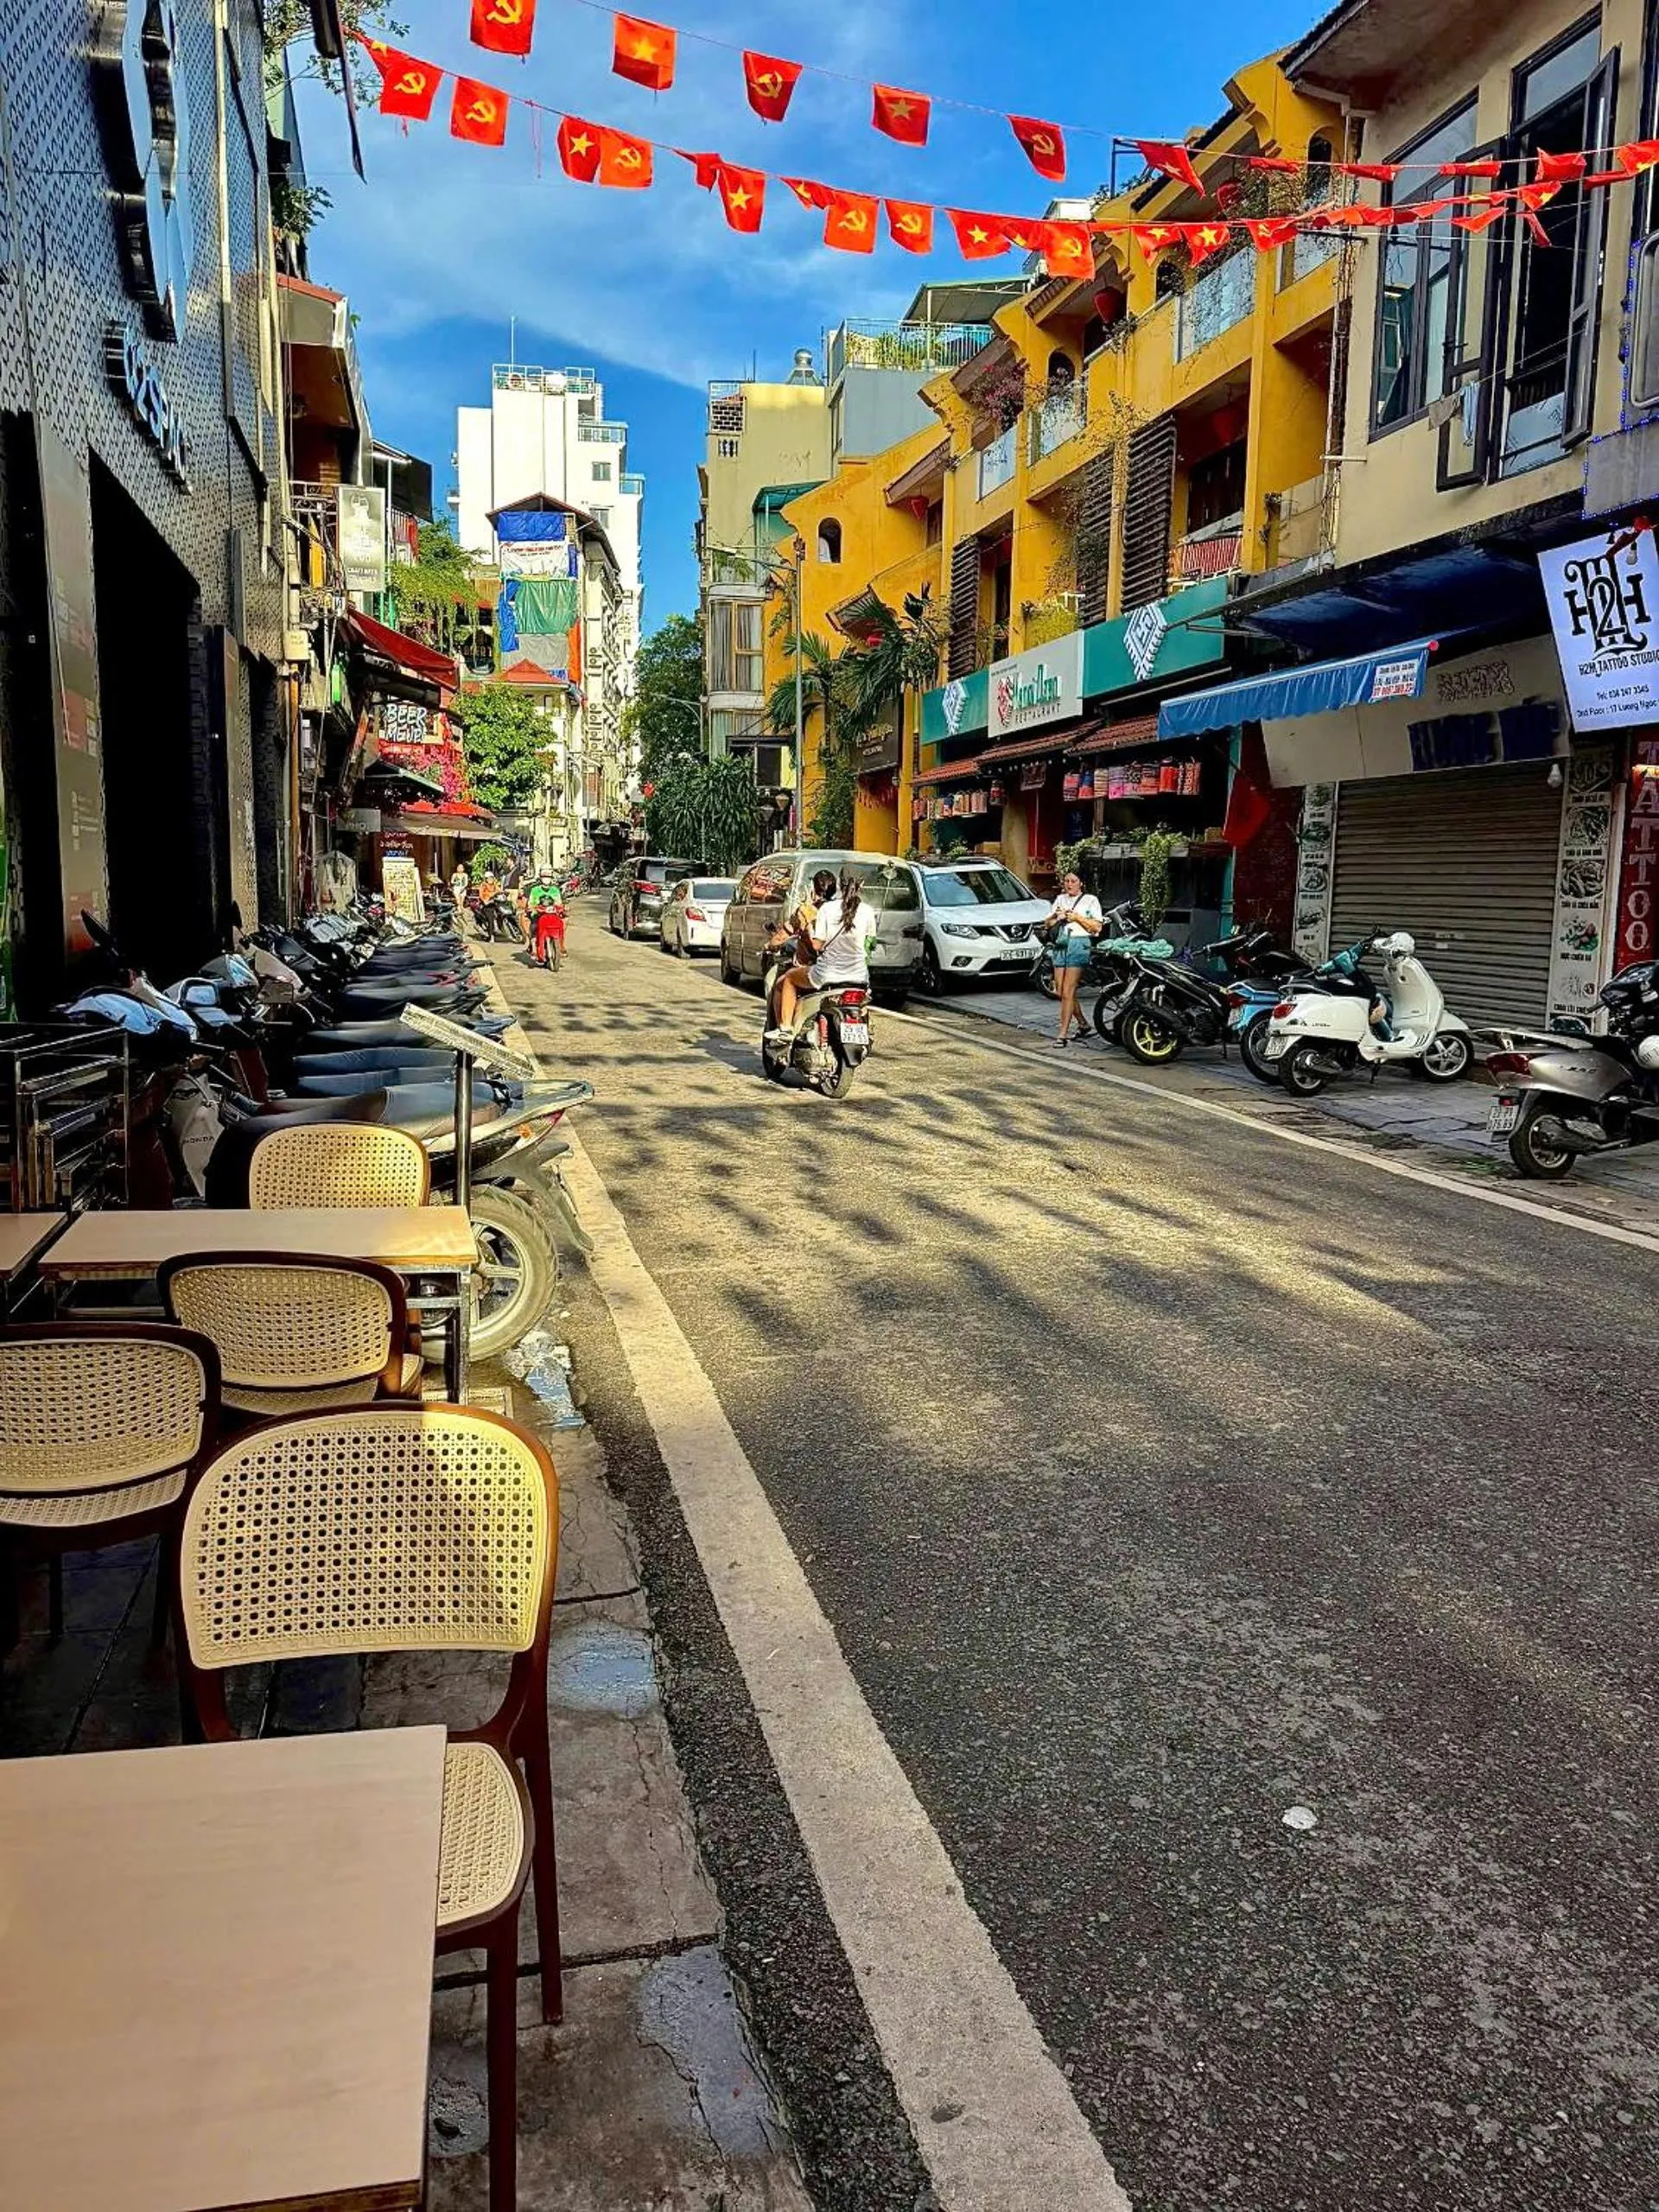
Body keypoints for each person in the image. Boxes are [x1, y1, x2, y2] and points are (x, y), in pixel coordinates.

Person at [768, 868, 877, 1044]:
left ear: (841, 885)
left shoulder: (824, 909)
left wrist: (810, 926)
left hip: (827, 974)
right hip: (859, 976)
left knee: (788, 979)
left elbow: (817, 945)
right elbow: (870, 944)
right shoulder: (868, 911)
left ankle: (786, 1029)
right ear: (862, 885)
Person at [764, 869, 837, 1030]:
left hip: (813, 970)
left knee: (781, 984)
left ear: (813, 889)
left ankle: (784, 1030)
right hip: (844, 971)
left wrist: (770, 945)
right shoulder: (843, 911)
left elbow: (783, 935)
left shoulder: (806, 911)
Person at [1046, 869, 1103, 1044]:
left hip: (1078, 943)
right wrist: (1057, 916)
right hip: (1061, 944)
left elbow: (1096, 928)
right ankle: (1083, 1024)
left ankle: (1062, 1033)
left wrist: (1077, 918)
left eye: (1073, 881)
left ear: (1081, 883)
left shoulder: (1091, 900)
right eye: (1067, 881)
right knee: (1061, 990)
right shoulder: (1060, 899)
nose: (1069, 884)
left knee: (1069, 990)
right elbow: (1047, 923)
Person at [527, 871, 566, 968]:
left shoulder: (555, 890)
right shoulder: (535, 890)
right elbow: (531, 903)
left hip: (552, 915)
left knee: (562, 924)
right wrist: (532, 908)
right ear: (540, 878)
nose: (546, 879)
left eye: (548, 877)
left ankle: (560, 949)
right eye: (544, 877)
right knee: (534, 928)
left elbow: (559, 902)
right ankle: (534, 950)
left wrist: (562, 908)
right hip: (539, 915)